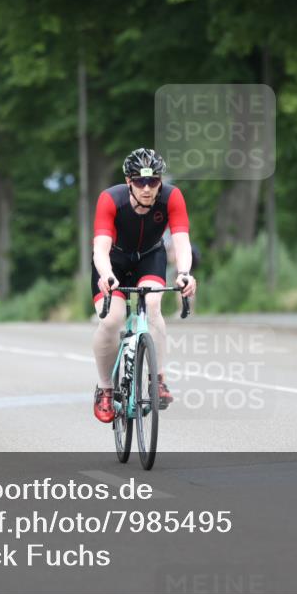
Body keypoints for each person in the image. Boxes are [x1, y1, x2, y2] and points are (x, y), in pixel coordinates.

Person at [91, 148, 196, 423]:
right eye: (140, 182)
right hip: (113, 260)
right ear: (129, 181)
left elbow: (182, 240)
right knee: (112, 320)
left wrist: (185, 273)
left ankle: (158, 379)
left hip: (150, 256)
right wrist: (106, 274)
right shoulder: (110, 199)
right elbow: (100, 249)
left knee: (152, 305)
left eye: (153, 181)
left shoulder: (172, 197)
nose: (148, 188)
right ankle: (105, 388)